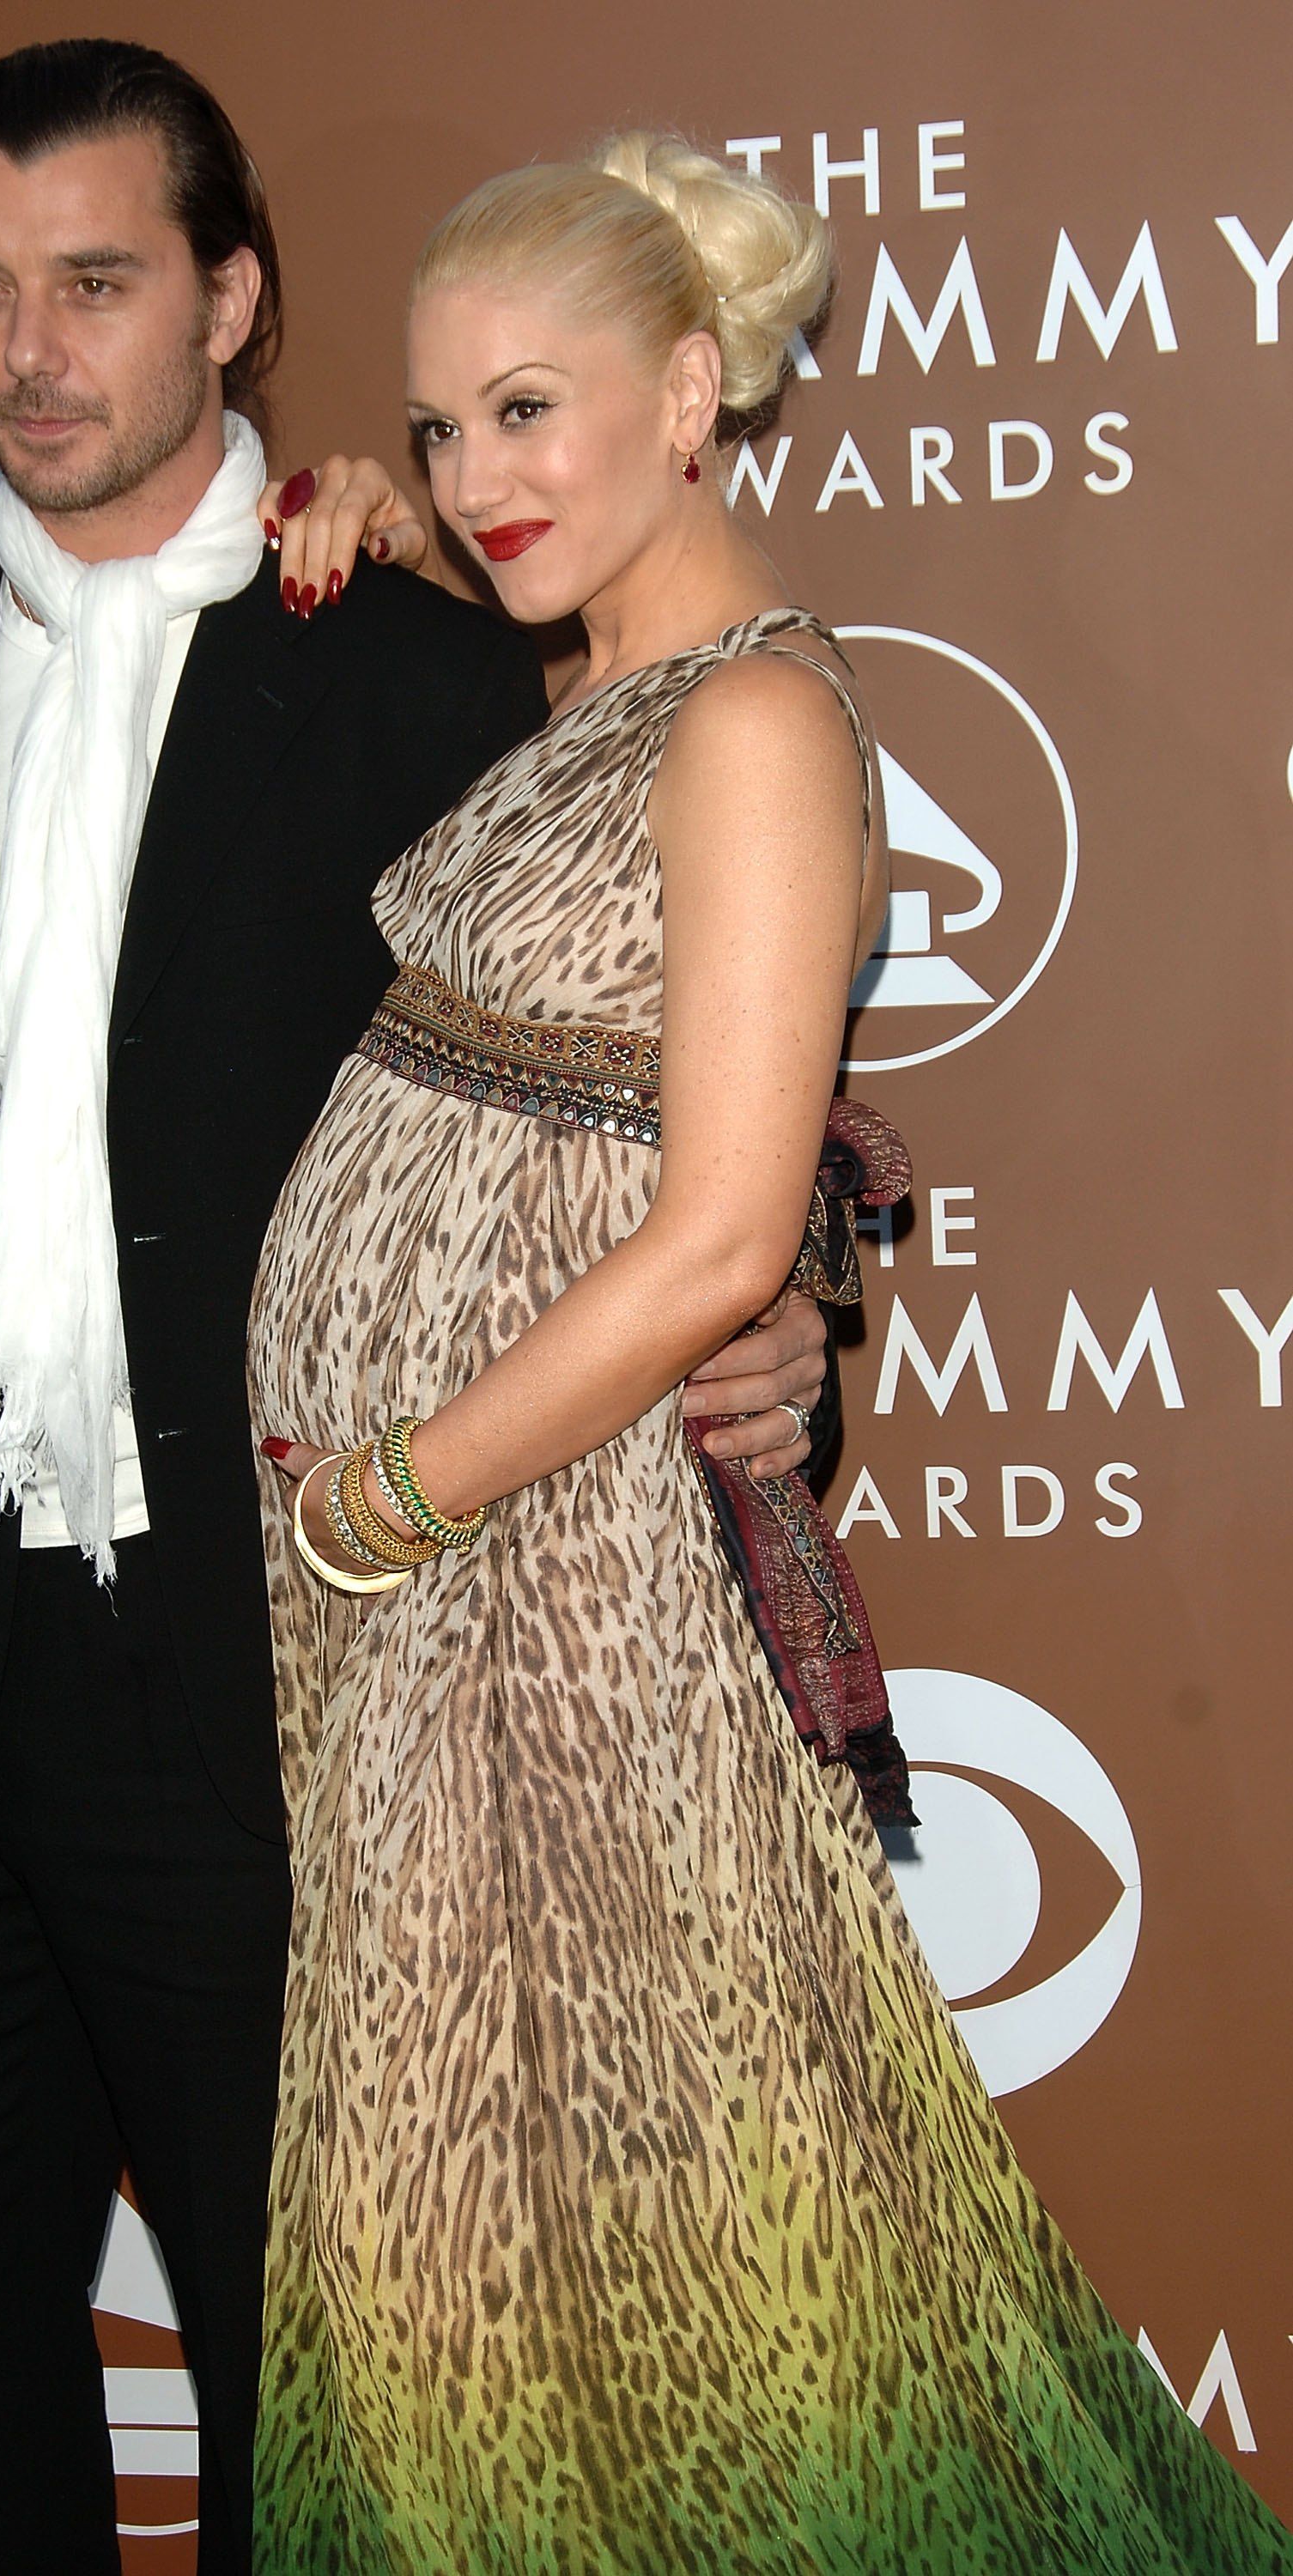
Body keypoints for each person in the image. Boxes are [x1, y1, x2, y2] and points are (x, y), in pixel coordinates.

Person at [0, 44, 828, 2575]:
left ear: (233, 300)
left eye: (94, 281)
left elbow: (667, 1082)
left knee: (340, 2439)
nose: (27, 350)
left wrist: (783, 1320)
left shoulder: (440, 675)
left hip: (292, 1685)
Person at [250, 137, 1293, 2571]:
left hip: (540, 1585)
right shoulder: (600, 675)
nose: (474, 477)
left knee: (683, 2269)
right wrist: (371, 517)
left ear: (691, 389)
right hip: (424, 1607)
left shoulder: (754, 728)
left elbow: (723, 1234)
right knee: (486, 2271)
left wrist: (376, 1501)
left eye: (530, 412)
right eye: (436, 429)